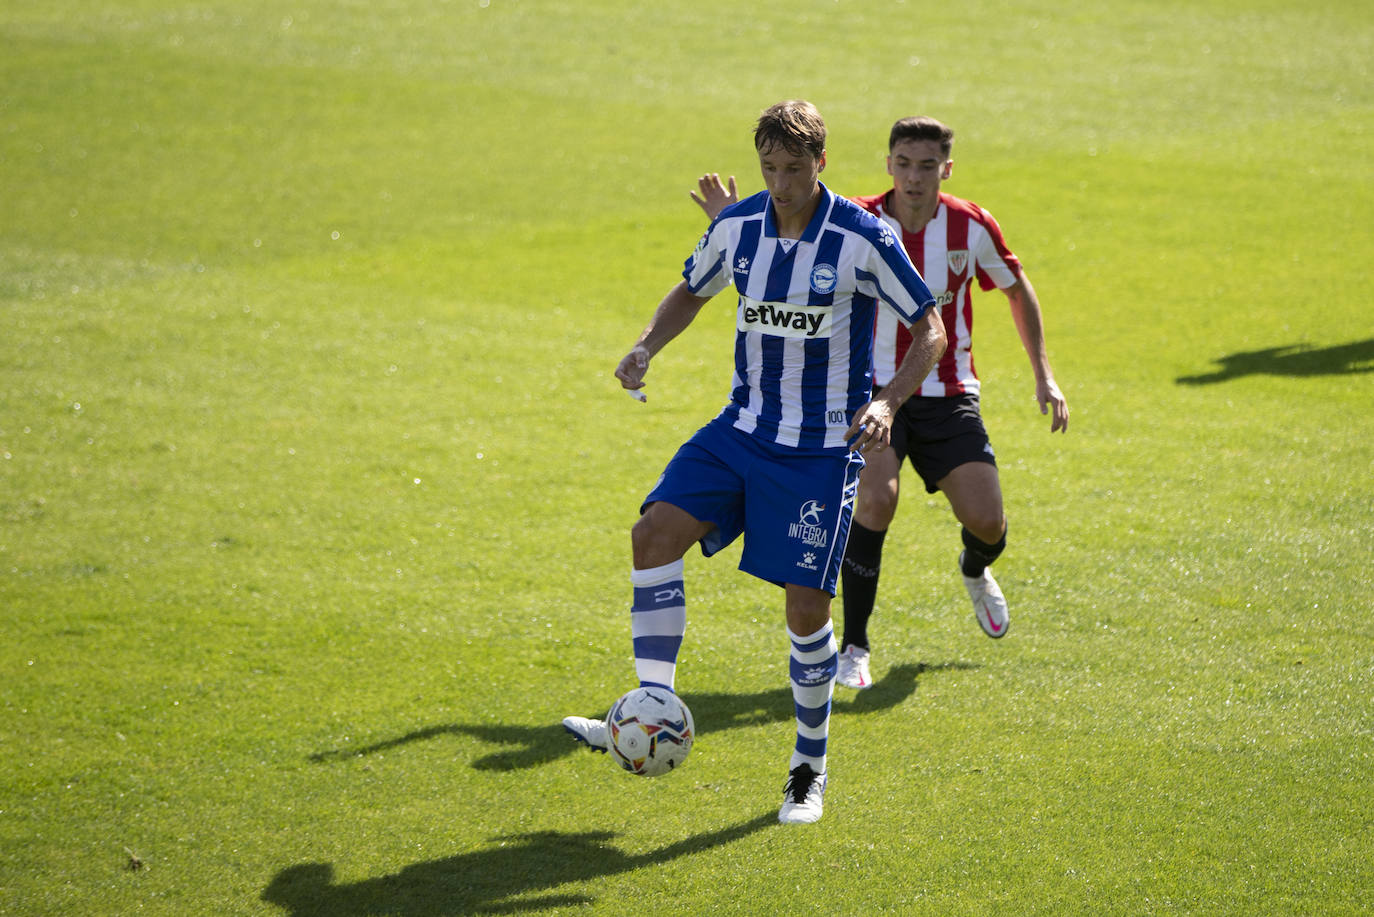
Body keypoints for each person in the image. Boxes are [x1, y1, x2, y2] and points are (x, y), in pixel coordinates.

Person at [561, 101, 946, 824]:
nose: (781, 183)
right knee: (652, 535)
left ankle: (809, 768)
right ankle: (650, 706)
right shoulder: (738, 226)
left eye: (794, 170)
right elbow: (692, 290)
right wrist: (647, 345)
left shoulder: (864, 238)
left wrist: (889, 402)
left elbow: (931, 329)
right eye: (769, 169)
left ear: (820, 164)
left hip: (820, 451)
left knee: (805, 612)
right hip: (740, 432)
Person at [690, 116, 1068, 691]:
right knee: (875, 503)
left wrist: (1045, 374)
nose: (914, 178)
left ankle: (975, 567)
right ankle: (855, 647)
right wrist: (729, 221)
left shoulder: (970, 227)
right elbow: (780, 238)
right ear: (888, 163)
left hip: (946, 394)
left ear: (946, 169)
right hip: (867, 394)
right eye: (903, 163)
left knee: (988, 522)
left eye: (927, 166)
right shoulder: (857, 222)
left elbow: (1017, 288)